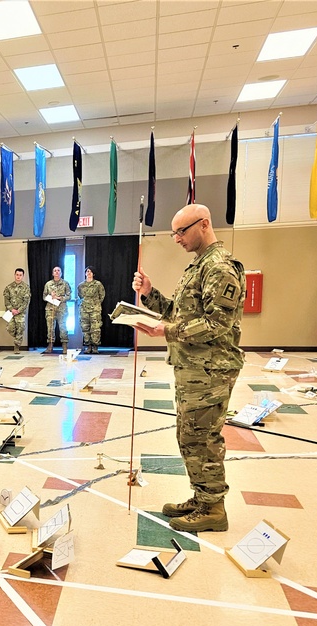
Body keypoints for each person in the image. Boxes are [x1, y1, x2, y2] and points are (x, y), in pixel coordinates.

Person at [132, 203, 245, 533]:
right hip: (194, 368)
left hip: (211, 370)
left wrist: (164, 331)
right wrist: (150, 295)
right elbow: (179, 315)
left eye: (181, 231)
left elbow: (217, 323)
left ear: (204, 224)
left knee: (204, 439)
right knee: (190, 437)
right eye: (174, 233)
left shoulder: (220, 267)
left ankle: (214, 508)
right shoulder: (199, 266)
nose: (177, 238)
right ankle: (202, 497)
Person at [77, 267, 106, 354]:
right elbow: (80, 296)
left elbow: (102, 296)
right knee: (85, 328)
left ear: (93, 274)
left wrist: (95, 304)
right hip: (84, 309)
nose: (89, 273)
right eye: (87, 271)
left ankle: (95, 347)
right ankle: (88, 346)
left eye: (90, 272)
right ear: (85, 273)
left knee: (95, 328)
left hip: (95, 310)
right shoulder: (80, 285)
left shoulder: (98, 284)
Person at [43, 266, 72, 353]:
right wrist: (51, 297)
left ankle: (64, 346)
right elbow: (44, 296)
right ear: (52, 273)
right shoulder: (48, 284)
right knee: (50, 328)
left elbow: (69, 296)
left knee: (63, 327)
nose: (56, 272)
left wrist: (60, 298)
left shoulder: (65, 283)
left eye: (58, 270)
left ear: (61, 273)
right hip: (50, 309)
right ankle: (50, 345)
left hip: (61, 309)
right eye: (55, 271)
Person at [3, 268, 31, 353]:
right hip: (10, 312)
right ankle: (17, 338)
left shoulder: (26, 287)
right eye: (17, 275)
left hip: (20, 312)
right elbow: (6, 300)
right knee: (10, 328)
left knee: (20, 328)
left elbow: (26, 301)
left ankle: (17, 346)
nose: (18, 277)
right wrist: (12, 309)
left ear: (23, 276)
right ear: (14, 275)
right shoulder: (8, 287)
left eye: (20, 275)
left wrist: (18, 310)